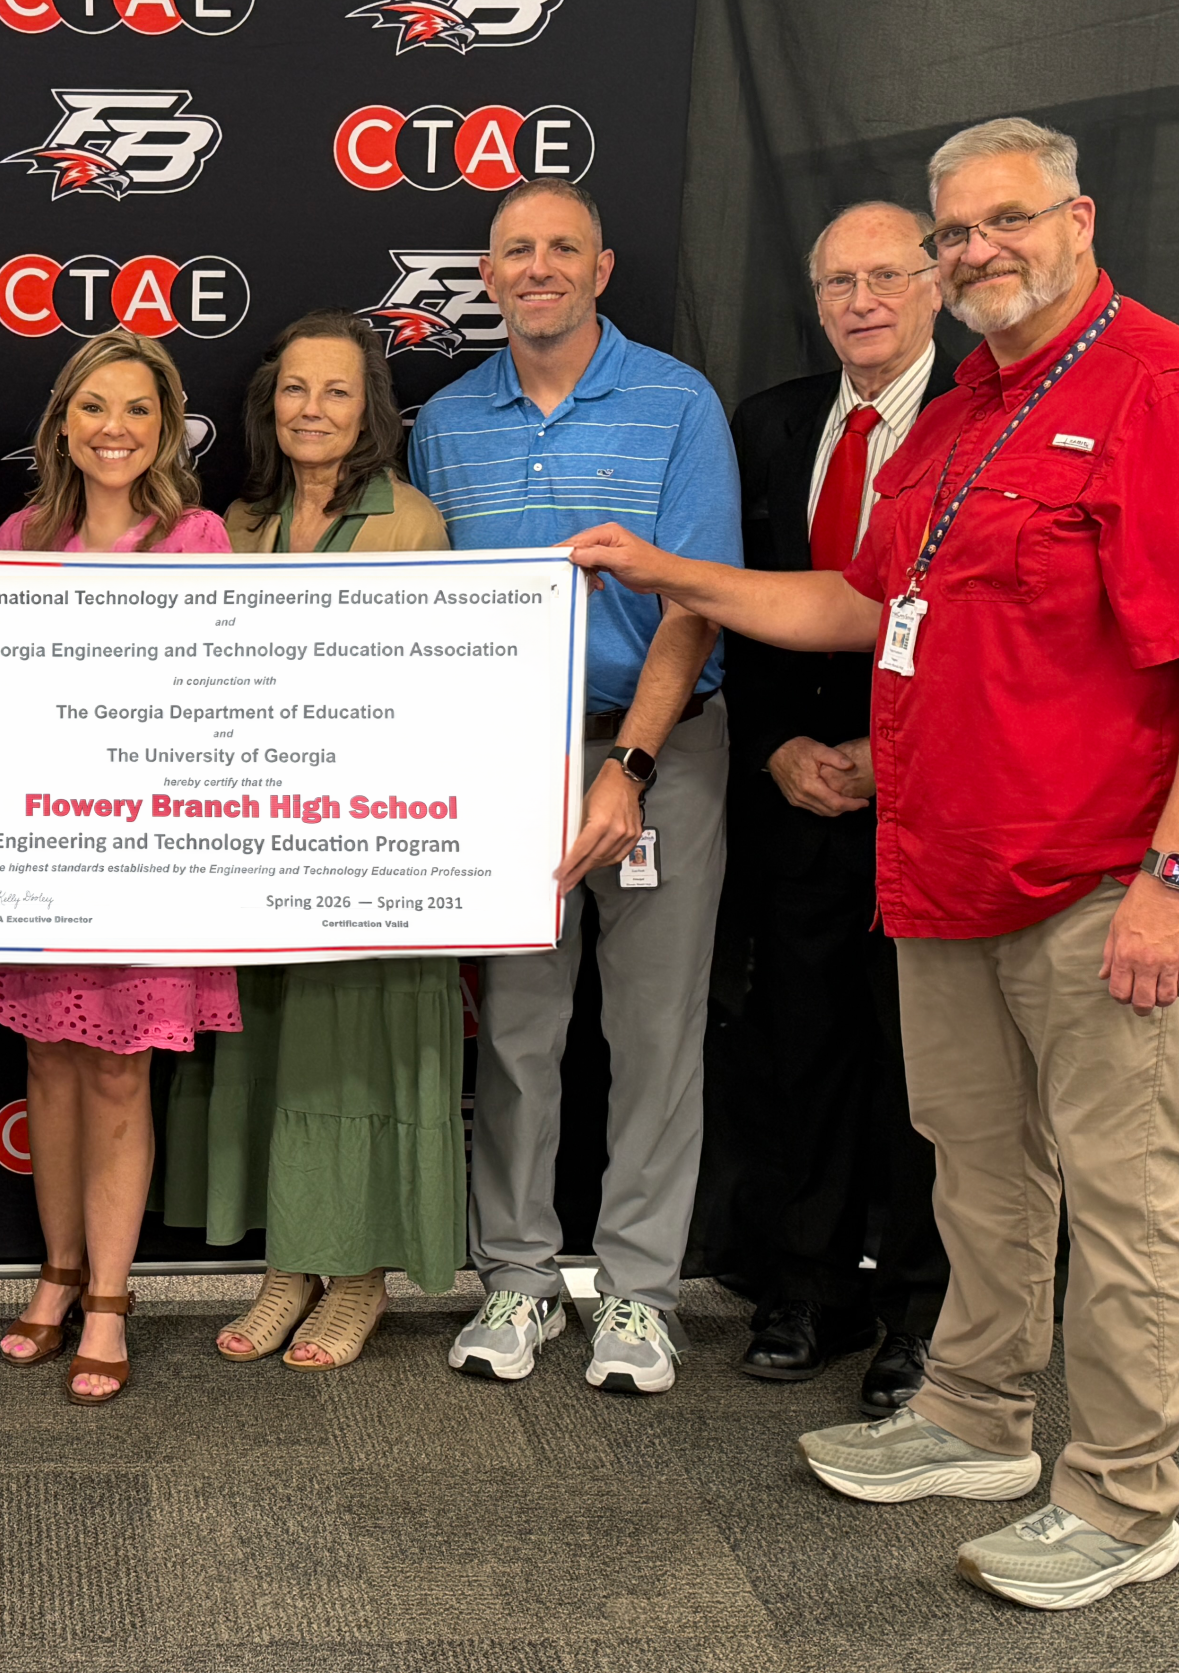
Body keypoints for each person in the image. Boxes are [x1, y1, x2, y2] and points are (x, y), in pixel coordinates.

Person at [567, 118, 1179, 1609]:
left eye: (1003, 221)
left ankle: (1124, 1497)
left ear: (1079, 221)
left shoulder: (1165, 392)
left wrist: (1178, 880)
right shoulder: (970, 410)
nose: (977, 251)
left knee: (1122, 1200)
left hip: (1101, 879)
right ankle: (974, 1414)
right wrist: (666, 572)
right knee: (979, 1169)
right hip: (950, 867)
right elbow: (859, 602)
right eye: (955, 230)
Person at [407, 179, 739, 1397]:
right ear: (488, 277)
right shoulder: (446, 420)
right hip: (507, 758)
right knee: (518, 1030)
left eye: (562, 248)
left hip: (662, 751)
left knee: (653, 1033)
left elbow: (696, 598)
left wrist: (629, 766)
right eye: (514, 250)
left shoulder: (676, 402)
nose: (536, 266)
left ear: (600, 269)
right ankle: (518, 1274)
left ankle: (640, 1291)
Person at [0, 329, 238, 1405]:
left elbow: (214, 695)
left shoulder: (197, 538)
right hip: (39, 845)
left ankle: (110, 1294)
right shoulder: (18, 537)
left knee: (119, 1071)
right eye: (95, 406)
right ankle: (57, 1274)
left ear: (168, 428)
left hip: (147, 850)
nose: (116, 428)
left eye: (139, 409)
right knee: (49, 1060)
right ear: (63, 423)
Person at [161, 311, 461, 1371]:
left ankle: (361, 1272)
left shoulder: (410, 522)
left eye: (337, 390)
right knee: (277, 1043)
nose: (313, 409)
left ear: (369, 409)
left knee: (357, 1050)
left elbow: (436, 688)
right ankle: (291, 1263)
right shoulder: (235, 523)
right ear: (269, 402)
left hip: (369, 842)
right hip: (255, 841)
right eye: (295, 388)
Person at [723, 202, 954, 1414]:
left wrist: (887, 752)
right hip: (795, 795)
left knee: (928, 1068)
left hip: (935, 800)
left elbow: (996, 621)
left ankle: (921, 1314)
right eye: (837, 283)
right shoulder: (768, 422)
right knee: (798, 1046)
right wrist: (773, 747)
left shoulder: (985, 418)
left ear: (935, 284)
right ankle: (805, 1286)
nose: (861, 301)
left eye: (885, 276)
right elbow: (746, 604)